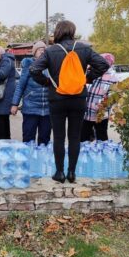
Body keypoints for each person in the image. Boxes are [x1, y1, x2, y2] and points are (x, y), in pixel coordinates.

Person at [30, 20, 109, 183]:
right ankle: (72, 172)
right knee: (74, 136)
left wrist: (46, 82)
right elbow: (103, 64)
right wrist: (87, 78)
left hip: (57, 98)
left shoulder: (51, 51)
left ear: (58, 32)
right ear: (72, 31)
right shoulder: (84, 49)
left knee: (58, 137)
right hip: (78, 98)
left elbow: (34, 69)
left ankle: (59, 173)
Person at [11, 41, 51, 144]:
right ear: (34, 53)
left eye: (44, 50)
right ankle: (28, 158)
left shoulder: (50, 66)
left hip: (47, 109)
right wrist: (15, 104)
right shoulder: (29, 65)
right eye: (39, 50)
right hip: (30, 108)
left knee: (45, 139)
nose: (42, 52)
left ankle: (42, 159)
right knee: (28, 138)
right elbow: (20, 86)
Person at [81, 53, 118, 142]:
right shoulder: (90, 72)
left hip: (101, 115)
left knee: (102, 138)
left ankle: (102, 153)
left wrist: (102, 105)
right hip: (86, 113)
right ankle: (83, 154)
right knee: (83, 138)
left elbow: (113, 97)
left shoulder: (113, 78)